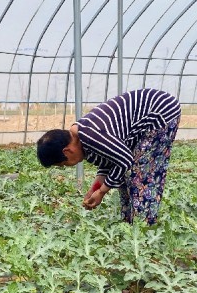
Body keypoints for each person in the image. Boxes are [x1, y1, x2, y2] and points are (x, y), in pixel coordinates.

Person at [36, 89, 182, 224]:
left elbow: (125, 160)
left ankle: (144, 228)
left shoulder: (91, 135)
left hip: (161, 111)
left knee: (140, 174)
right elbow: (110, 159)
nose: (66, 166)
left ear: (66, 152)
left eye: (62, 164)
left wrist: (102, 191)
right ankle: (129, 223)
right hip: (147, 119)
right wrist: (94, 189)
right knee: (124, 174)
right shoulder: (81, 140)